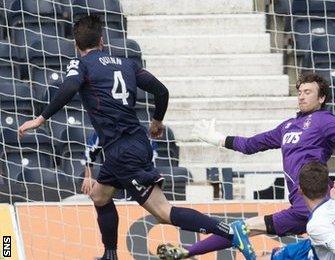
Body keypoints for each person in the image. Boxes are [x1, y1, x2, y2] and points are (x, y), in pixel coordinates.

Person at [17, 15, 255, 260]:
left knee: (163, 212)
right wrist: (157, 121)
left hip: (123, 151)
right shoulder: (127, 63)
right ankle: (110, 254)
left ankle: (229, 230)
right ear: (102, 40)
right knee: (99, 196)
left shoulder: (82, 64)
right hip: (131, 143)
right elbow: (161, 91)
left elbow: (69, 87)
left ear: (77, 46)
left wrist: (40, 119)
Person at [158, 73, 335, 259]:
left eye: (308, 92)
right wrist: (218, 139)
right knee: (242, 229)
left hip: (318, 197)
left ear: (321, 98)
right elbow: (251, 145)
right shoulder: (287, 126)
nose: (302, 97)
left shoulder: (323, 121)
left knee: (246, 229)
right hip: (299, 205)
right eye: (300, 92)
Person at [267, 161, 335, 260]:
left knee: (277, 256)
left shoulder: (315, 224)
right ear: (328, 187)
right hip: (316, 248)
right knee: (279, 254)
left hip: (322, 255)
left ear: (300, 190)